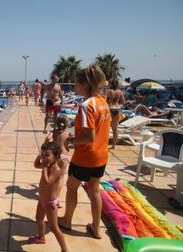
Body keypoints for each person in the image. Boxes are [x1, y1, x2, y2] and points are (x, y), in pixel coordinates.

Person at [59, 65, 110, 240]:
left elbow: (89, 137)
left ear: (85, 85)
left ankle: (66, 220)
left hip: (85, 157)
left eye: (76, 84)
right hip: (101, 156)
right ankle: (96, 228)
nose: (75, 87)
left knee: (71, 187)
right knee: (94, 190)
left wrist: (71, 140)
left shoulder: (86, 105)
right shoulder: (103, 103)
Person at [29, 142, 69, 251]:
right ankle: (41, 237)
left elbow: (47, 182)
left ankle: (65, 249)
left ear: (55, 157)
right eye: (43, 154)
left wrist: (45, 168)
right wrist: (40, 155)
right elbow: (36, 164)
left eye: (47, 155)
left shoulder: (55, 169)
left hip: (50, 203)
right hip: (42, 199)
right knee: (39, 218)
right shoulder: (48, 164)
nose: (44, 157)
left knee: (54, 227)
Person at [106, 79, 125, 149]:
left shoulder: (108, 91)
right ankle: (114, 145)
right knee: (115, 129)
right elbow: (123, 102)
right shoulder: (120, 92)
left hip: (109, 109)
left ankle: (104, 144)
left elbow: (104, 101)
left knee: (106, 128)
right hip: (117, 109)